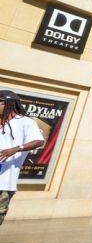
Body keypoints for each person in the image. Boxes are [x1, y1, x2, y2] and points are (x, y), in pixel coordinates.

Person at [0, 90, 46, 225]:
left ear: (9, 104)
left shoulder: (25, 122)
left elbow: (39, 141)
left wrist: (16, 149)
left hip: (4, 181)